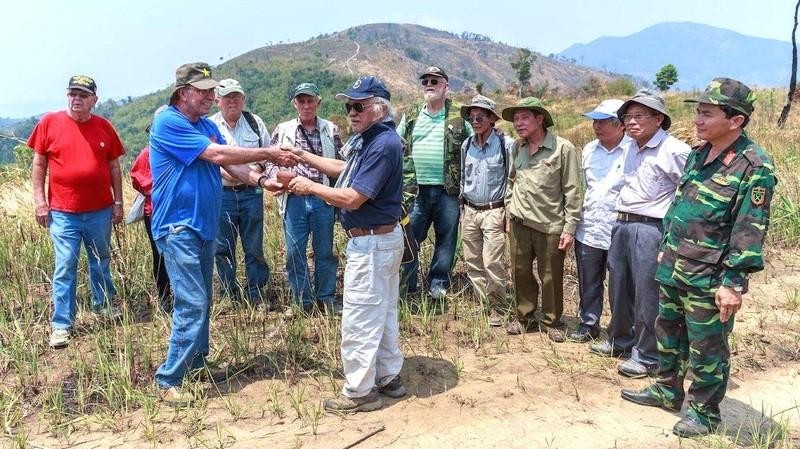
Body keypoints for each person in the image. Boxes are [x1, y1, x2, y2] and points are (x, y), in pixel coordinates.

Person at [621, 78, 776, 437]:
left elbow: (749, 231)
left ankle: (705, 413)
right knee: (668, 333)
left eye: (707, 113)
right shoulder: (698, 153)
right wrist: (666, 244)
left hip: (709, 276)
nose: (698, 120)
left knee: (707, 347)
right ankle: (666, 389)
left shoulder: (753, 167)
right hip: (675, 263)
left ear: (735, 120)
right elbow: (680, 203)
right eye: (697, 113)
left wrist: (733, 283)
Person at [149, 62, 296, 406]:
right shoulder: (168, 121)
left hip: (202, 226)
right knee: (193, 301)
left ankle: (196, 364)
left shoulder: (202, 125)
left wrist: (262, 180)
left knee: (203, 300)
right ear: (183, 93)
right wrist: (269, 152)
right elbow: (215, 154)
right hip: (178, 228)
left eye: (210, 90)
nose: (209, 96)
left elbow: (229, 165)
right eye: (202, 91)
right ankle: (169, 379)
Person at [284, 75, 406, 412]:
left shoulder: (381, 144)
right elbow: (346, 168)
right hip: (380, 240)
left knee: (360, 317)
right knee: (383, 312)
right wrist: (304, 157)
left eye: (358, 106)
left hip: (371, 244)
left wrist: (309, 188)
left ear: (378, 109)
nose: (351, 112)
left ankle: (359, 391)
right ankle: (387, 376)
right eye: (348, 105)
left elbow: (352, 197)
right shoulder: (374, 139)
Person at [589, 89, 691, 378]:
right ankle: (619, 339)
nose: (631, 122)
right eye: (627, 117)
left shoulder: (675, 150)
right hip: (621, 222)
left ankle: (647, 355)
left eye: (639, 116)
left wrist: (672, 236)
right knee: (619, 286)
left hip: (650, 227)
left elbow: (687, 195)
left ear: (659, 119)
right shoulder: (632, 147)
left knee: (649, 294)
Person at [29, 75, 125, 349]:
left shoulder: (104, 126)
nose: (77, 98)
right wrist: (39, 201)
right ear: (66, 95)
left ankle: (103, 306)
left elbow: (114, 168)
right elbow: (38, 166)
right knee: (65, 265)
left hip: (100, 210)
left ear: (94, 99)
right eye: (72, 93)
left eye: (83, 94)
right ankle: (62, 323)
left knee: (100, 259)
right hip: (62, 211)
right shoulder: (49, 122)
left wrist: (118, 202)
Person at [502, 97, 581, 342]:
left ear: (539, 119)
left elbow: (572, 190)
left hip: (550, 225)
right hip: (519, 223)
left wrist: (569, 228)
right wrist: (508, 208)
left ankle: (551, 321)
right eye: (516, 119)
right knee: (520, 272)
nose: (518, 123)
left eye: (524, 117)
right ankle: (524, 317)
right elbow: (511, 180)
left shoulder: (562, 148)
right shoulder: (518, 147)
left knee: (551, 276)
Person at [265, 82, 343, 313]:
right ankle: (301, 302)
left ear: (318, 102)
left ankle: (326, 298)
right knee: (294, 253)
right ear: (295, 104)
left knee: (325, 252)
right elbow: (270, 161)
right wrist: (277, 180)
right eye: (301, 101)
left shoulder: (331, 129)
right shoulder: (284, 129)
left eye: (310, 100)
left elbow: (341, 164)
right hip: (294, 199)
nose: (306, 105)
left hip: (322, 197)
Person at [397, 66, 472, 300]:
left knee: (446, 238)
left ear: (446, 87)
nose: (429, 84)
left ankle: (438, 283)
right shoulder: (411, 114)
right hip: (415, 190)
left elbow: (477, 141)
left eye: (435, 81)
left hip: (448, 190)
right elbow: (396, 142)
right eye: (426, 81)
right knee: (409, 238)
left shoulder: (460, 116)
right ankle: (407, 284)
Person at [568, 99, 629, 342]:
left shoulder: (633, 150)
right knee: (589, 281)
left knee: (620, 285)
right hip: (590, 226)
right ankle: (588, 323)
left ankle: (621, 330)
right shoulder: (589, 150)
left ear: (620, 125)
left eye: (603, 122)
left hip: (618, 228)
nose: (597, 126)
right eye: (595, 121)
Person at [210, 79, 271, 305]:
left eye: (236, 96)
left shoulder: (255, 123)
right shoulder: (209, 126)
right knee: (222, 246)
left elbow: (267, 154)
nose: (232, 101)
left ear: (243, 99)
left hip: (251, 192)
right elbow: (207, 158)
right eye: (227, 97)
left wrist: (254, 170)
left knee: (253, 245)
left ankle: (255, 293)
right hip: (222, 194)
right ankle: (229, 294)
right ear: (218, 101)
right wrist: (229, 172)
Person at [458, 95, 514, 326]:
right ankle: (483, 304)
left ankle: (499, 307)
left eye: (481, 115)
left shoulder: (505, 144)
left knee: (492, 261)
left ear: (492, 119)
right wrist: (462, 209)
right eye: (472, 116)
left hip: (494, 210)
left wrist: (508, 213)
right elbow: (463, 176)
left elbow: (512, 179)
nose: (476, 119)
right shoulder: (467, 145)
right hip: (470, 210)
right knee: (473, 261)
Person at [131, 106, 171, 312]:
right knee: (160, 254)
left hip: (179, 212)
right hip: (155, 213)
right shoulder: (147, 153)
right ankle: (165, 297)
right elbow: (140, 180)